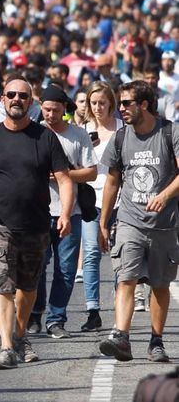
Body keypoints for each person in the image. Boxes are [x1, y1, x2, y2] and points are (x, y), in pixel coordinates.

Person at [0, 77, 74, 370]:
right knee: (2, 284)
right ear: (2, 99)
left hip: (37, 225)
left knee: (27, 288)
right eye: (11, 94)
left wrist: (64, 214)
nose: (16, 99)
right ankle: (5, 347)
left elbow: (64, 180)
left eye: (23, 96)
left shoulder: (45, 137)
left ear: (31, 102)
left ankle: (20, 333)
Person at [98, 80, 179, 363]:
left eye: (126, 103)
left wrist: (166, 195)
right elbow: (111, 181)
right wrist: (104, 220)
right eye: (120, 103)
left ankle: (156, 341)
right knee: (126, 279)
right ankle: (121, 336)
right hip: (130, 220)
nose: (120, 109)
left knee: (159, 285)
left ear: (144, 104)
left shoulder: (170, 132)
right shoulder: (121, 137)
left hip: (164, 224)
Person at [28, 85, 97, 338]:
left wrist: (62, 175)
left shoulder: (78, 135)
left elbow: (91, 172)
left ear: (64, 110)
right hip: (38, 212)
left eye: (56, 111)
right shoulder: (32, 133)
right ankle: (34, 314)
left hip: (72, 212)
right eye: (46, 110)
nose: (50, 115)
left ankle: (56, 319)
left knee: (66, 269)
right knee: (37, 266)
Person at [79, 81, 122, 332]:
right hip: (89, 200)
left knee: (119, 256)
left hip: (118, 199)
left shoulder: (121, 129)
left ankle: (120, 306)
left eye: (102, 103)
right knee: (92, 253)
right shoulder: (82, 130)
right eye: (93, 103)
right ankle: (92, 311)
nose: (97, 108)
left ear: (111, 104)